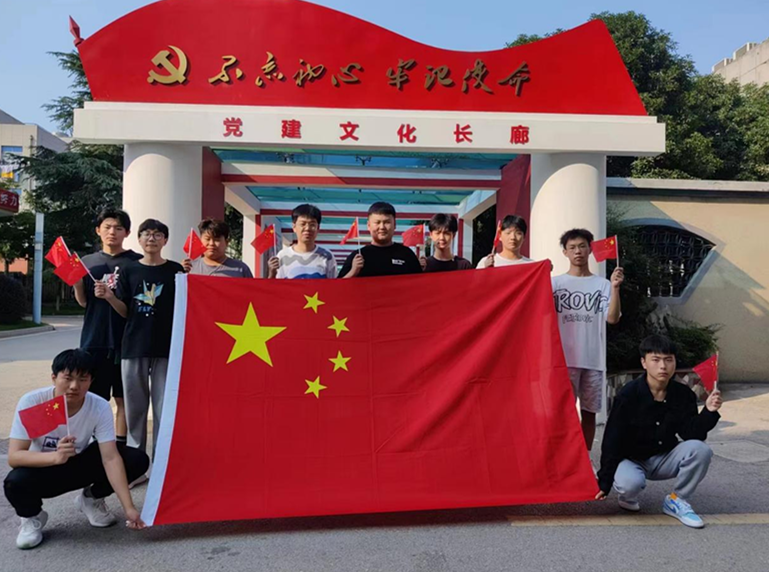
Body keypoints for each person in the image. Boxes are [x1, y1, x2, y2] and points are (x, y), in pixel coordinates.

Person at [4, 349, 148, 549]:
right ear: (54, 378)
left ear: (91, 381)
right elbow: (15, 457)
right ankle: (31, 517)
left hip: (78, 463)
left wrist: (129, 508)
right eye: (68, 378)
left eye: (82, 379)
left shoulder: (99, 406)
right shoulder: (34, 402)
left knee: (135, 459)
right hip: (42, 469)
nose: (74, 386)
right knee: (15, 482)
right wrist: (56, 457)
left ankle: (91, 499)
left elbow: (110, 458)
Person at [596, 335, 722, 528]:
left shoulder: (682, 394)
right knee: (630, 484)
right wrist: (604, 482)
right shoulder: (629, 395)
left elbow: (692, 434)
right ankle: (627, 497)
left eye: (668, 360)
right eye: (655, 360)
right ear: (644, 363)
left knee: (700, 450)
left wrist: (709, 412)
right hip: (631, 459)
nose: (663, 366)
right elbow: (612, 439)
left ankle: (677, 500)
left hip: (664, 457)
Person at [96, 219, 184, 470]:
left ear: (165, 240)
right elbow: (126, 311)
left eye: (157, 234)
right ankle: (136, 462)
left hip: (167, 348)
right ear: (139, 239)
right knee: (135, 408)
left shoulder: (176, 271)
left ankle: (162, 462)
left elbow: (186, 305)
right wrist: (110, 297)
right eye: (146, 234)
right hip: (133, 346)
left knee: (163, 407)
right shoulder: (129, 270)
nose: (152, 238)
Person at [73, 207, 142, 444]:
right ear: (98, 230)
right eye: (107, 227)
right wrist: (76, 284)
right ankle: (97, 445)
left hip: (126, 341)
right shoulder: (87, 262)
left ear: (127, 233)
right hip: (94, 340)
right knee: (95, 398)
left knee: (123, 399)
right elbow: (84, 302)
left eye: (118, 228)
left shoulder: (135, 262)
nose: (112, 232)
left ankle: (120, 446)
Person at [551, 228, 623, 452]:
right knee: (563, 414)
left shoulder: (603, 285)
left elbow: (612, 318)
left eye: (582, 246)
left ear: (590, 249)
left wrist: (615, 288)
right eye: (572, 247)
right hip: (563, 360)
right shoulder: (554, 284)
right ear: (565, 252)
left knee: (589, 414)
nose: (578, 251)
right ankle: (564, 459)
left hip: (593, 360)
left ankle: (585, 459)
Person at [338, 202, 422, 278]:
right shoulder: (358, 256)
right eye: (377, 222)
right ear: (368, 226)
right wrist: (353, 271)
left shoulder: (407, 254)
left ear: (395, 225)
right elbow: (338, 287)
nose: (382, 227)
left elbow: (420, 284)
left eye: (387, 222)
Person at [267, 204, 336, 279]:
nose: (307, 228)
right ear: (294, 227)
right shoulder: (283, 256)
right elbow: (274, 285)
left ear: (318, 228)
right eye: (303, 224)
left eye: (312, 224)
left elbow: (334, 284)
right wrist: (271, 274)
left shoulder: (327, 256)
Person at [182, 219, 253, 278]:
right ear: (200, 241)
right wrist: (180, 273)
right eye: (207, 239)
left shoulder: (241, 269)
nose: (211, 243)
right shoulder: (190, 268)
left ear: (226, 242)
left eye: (217, 240)